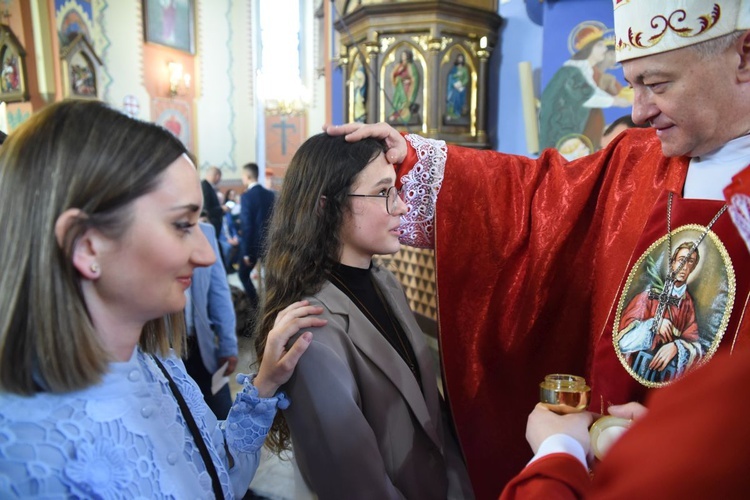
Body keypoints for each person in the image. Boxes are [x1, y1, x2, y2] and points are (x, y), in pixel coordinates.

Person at [325, 1, 750, 495]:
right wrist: (417, 168)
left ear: (743, 56)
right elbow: (539, 202)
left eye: (658, 84)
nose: (638, 110)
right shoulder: (635, 160)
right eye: (631, 84)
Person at [0, 100, 326, 499]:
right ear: (87, 245)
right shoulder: (24, 456)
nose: (207, 256)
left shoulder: (157, 363)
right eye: (181, 225)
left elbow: (215, 475)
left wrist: (264, 383)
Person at [254, 133, 474, 499]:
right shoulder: (311, 331)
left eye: (397, 189)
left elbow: (430, 412)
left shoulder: (385, 282)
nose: (402, 206)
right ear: (327, 205)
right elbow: (354, 486)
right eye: (384, 191)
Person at [538, 22, 631, 151]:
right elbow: (586, 96)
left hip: (574, 128)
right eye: (600, 46)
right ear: (589, 48)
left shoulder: (585, 70)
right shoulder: (571, 70)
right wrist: (616, 101)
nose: (604, 49)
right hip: (561, 130)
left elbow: (592, 92)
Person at [184, 222, 238, 419]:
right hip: (163, 349)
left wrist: (228, 344)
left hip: (201, 346)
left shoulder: (206, 231)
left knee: (223, 418)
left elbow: (219, 292)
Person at [239, 162, 275, 311]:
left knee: (243, 275)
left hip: (253, 244)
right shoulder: (270, 194)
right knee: (272, 278)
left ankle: (256, 306)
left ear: (247, 176)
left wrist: (246, 252)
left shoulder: (246, 197)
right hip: (269, 243)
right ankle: (272, 305)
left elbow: (247, 226)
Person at [389, 49, 421, 125]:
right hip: (399, 87)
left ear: (408, 56)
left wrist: (409, 81)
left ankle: (403, 115)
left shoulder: (410, 66)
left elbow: (414, 78)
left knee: (405, 102)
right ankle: (396, 115)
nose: (403, 57)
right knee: (398, 101)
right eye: (402, 55)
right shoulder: (399, 66)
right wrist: (398, 78)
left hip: (407, 87)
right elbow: (394, 75)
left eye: (405, 55)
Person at [202, 165, 224, 239]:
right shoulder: (205, 186)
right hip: (210, 224)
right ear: (217, 176)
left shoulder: (209, 186)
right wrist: (221, 209)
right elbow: (206, 209)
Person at [445, 53, 469, 122]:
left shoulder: (464, 69)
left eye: (461, 58)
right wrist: (456, 75)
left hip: (460, 89)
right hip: (453, 88)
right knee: (452, 101)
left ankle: (457, 114)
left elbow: (466, 78)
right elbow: (450, 76)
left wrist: (462, 83)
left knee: (458, 101)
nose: (460, 60)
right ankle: (450, 114)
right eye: (459, 58)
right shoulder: (454, 69)